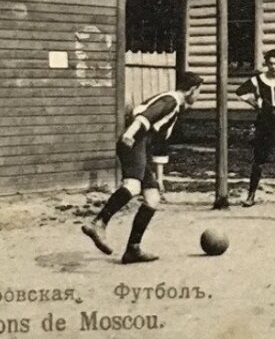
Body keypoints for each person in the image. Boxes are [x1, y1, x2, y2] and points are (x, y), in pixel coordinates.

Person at [82, 72, 204, 264]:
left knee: (152, 198)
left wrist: (159, 179)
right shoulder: (171, 100)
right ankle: (98, 223)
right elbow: (145, 116)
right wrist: (129, 133)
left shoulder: (176, 108)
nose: (198, 97)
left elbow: (161, 145)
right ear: (191, 90)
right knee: (132, 186)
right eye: (199, 92)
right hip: (134, 142)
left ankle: (133, 249)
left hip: (141, 146)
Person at [237, 49, 275, 207]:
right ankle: (251, 195)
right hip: (265, 120)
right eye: (270, 63)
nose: (273, 67)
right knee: (259, 159)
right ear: (266, 64)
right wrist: (253, 103)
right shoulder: (258, 79)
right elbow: (240, 91)